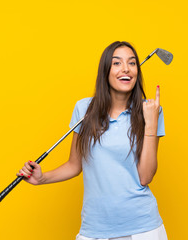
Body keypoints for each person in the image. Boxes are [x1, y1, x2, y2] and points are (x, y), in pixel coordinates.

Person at [17, 41, 168, 240]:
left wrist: (150, 123)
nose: (126, 68)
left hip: (142, 227)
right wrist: (42, 178)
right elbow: (74, 164)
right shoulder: (84, 109)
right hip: (94, 229)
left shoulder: (150, 110)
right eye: (117, 63)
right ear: (105, 70)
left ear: (137, 72)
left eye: (132, 63)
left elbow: (145, 177)